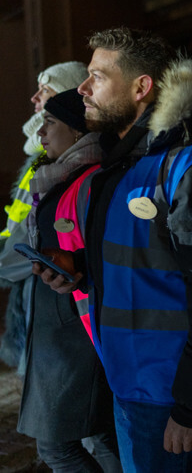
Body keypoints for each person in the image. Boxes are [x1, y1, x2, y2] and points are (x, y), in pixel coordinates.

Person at [34, 27, 192, 472]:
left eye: (97, 76)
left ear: (141, 87)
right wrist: (76, 269)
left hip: (171, 392)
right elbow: (147, 260)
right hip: (133, 380)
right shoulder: (128, 158)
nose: (82, 88)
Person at [15, 88, 121, 473]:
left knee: (57, 446)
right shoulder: (60, 176)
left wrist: (72, 267)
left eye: (51, 122)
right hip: (60, 326)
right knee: (100, 434)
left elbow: (107, 254)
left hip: (76, 330)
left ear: (77, 131)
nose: (41, 133)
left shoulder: (91, 179)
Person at [0, 61, 88, 371]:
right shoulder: (43, 162)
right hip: (37, 288)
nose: (35, 98)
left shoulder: (62, 169)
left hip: (57, 302)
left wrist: (4, 265)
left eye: (46, 90)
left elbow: (30, 236)